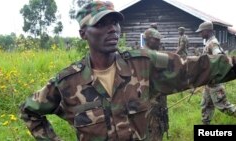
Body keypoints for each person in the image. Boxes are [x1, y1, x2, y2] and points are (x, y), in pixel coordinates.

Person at [20, 1, 236, 141]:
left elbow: (199, 67)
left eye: (115, 22)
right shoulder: (68, 82)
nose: (112, 29)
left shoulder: (143, 65)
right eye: (102, 23)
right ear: (83, 33)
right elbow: (29, 110)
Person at [196, 21, 236, 125]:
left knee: (224, 106)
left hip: (215, 83)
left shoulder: (213, 43)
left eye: (201, 32)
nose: (200, 34)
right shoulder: (209, 42)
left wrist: (211, 73)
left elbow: (219, 59)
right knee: (206, 105)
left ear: (207, 31)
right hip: (209, 83)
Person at [143, 28, 169, 140]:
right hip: (151, 104)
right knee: (153, 131)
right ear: (147, 40)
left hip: (157, 102)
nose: (159, 42)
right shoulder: (147, 56)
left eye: (159, 40)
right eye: (156, 40)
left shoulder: (158, 56)